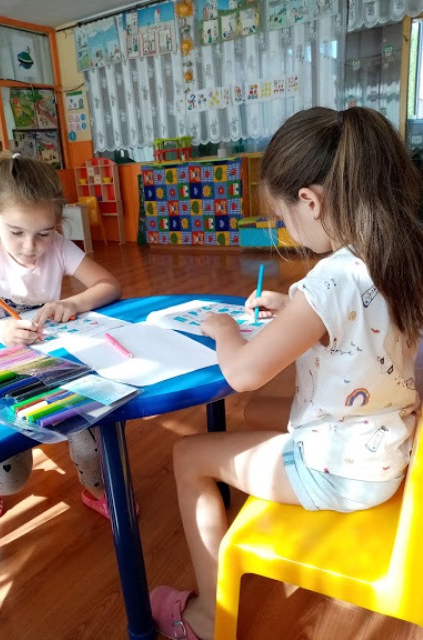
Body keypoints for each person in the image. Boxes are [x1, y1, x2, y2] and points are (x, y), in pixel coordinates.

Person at [149, 106, 423, 640]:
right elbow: (359, 326)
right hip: (388, 437)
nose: (284, 228)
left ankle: (205, 619)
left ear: (310, 201)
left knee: (188, 456)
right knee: (258, 413)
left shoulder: (331, 279)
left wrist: (224, 329)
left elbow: (244, 373)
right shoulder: (398, 254)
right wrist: (291, 308)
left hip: (341, 470)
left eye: (282, 216)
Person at [0, 150, 122, 522]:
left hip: (51, 363)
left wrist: (73, 302)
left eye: (43, 232)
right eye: (16, 232)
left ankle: (97, 491)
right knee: (8, 479)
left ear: (56, 223)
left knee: (92, 429)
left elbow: (109, 284)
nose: (30, 246)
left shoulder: (58, 246)